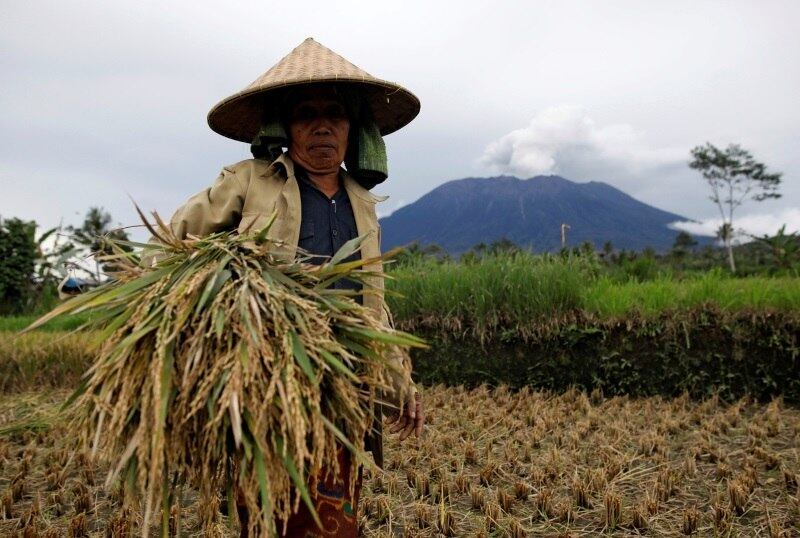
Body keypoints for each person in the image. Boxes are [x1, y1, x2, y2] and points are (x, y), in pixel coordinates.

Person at [145, 38, 424, 537]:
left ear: (352, 128)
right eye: (306, 113)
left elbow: (372, 306)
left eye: (334, 113)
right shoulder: (251, 181)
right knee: (275, 515)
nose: (322, 124)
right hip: (271, 383)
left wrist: (401, 379)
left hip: (347, 388)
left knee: (336, 515)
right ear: (285, 127)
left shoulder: (363, 202)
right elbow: (169, 244)